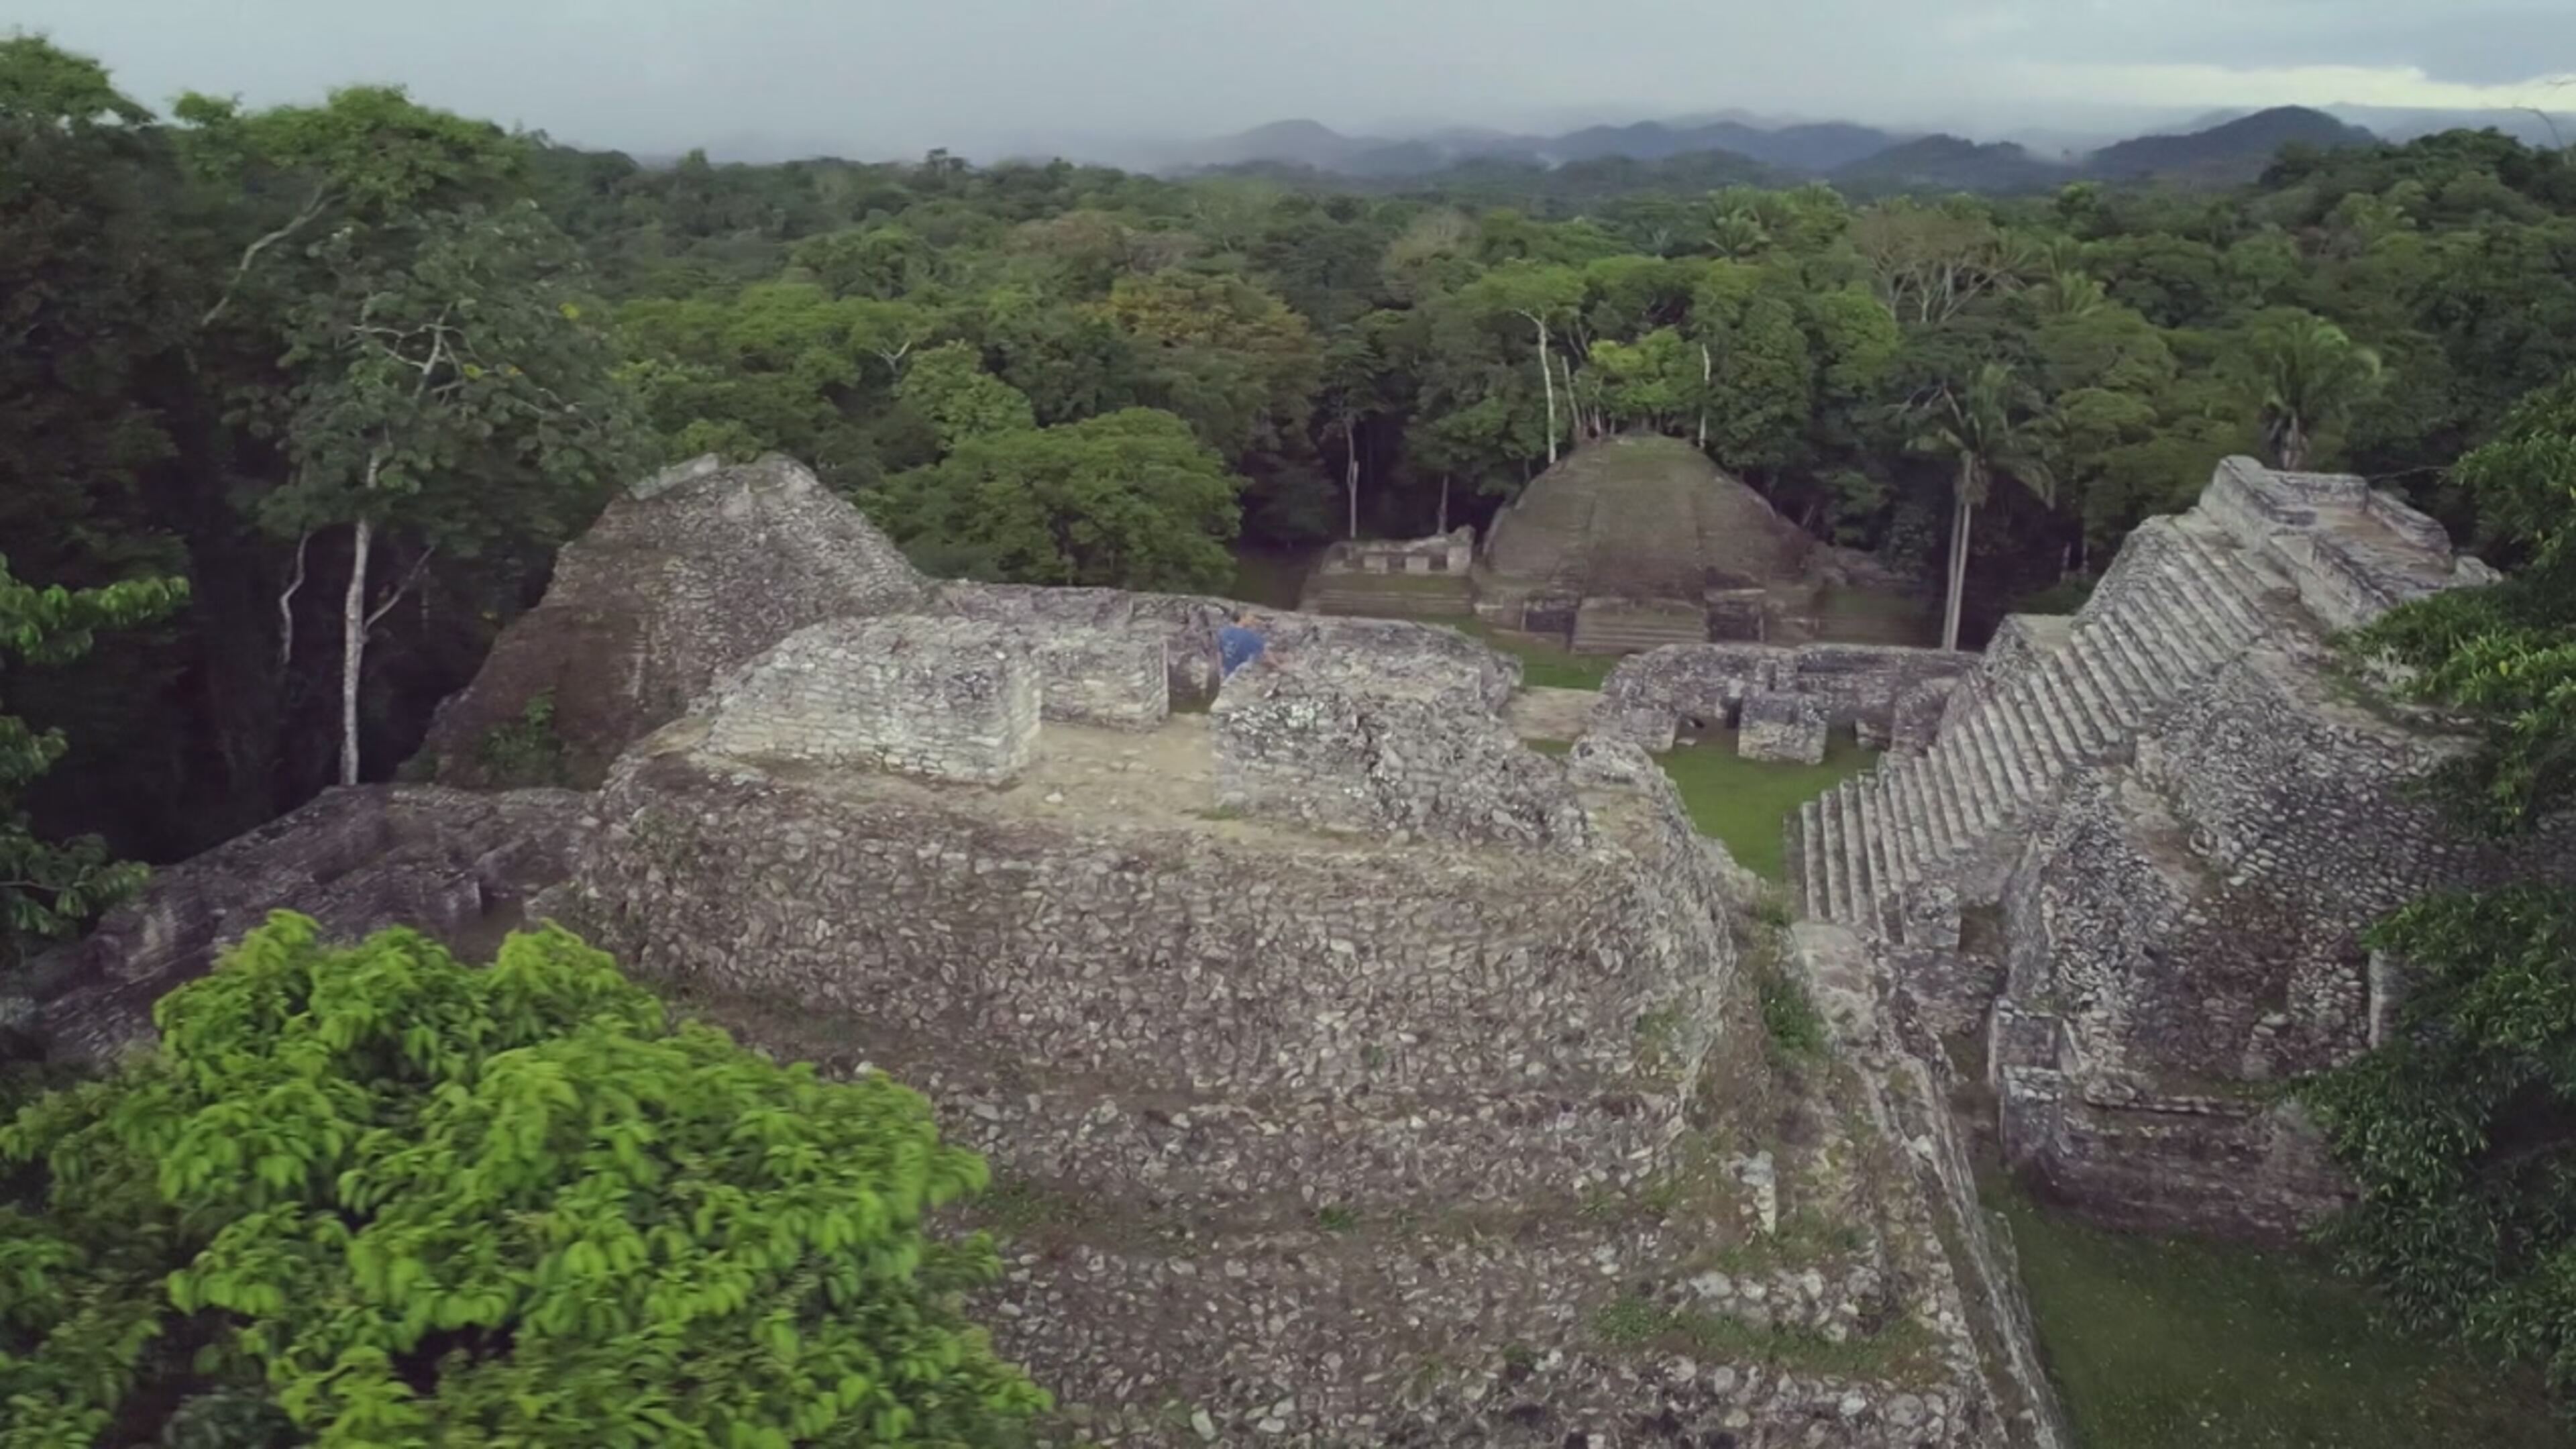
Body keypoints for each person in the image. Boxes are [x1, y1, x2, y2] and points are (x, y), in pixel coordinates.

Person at [1218, 610, 1269, 679]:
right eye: (1251, 616)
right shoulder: (1251, 636)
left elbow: (1219, 653)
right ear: (1242, 618)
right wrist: (1279, 666)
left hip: (1226, 673)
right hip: (1241, 676)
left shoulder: (1223, 632)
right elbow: (1266, 654)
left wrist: (1220, 671)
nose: (1253, 619)